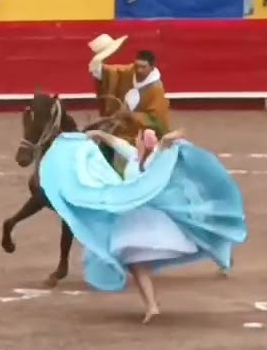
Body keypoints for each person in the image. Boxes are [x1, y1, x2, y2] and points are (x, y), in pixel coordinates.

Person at [38, 126, 247, 323]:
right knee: (138, 265)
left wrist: (171, 137)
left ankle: (219, 255)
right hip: (135, 221)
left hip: (145, 221)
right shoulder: (134, 156)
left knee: (147, 260)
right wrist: (99, 134)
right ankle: (152, 306)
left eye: (139, 138)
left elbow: (164, 144)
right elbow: (115, 142)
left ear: (143, 142)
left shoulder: (153, 158)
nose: (135, 141)